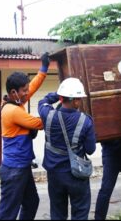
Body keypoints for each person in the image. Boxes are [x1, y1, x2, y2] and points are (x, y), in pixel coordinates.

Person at [0, 52, 50, 220]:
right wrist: (61, 114)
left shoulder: (14, 102)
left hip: (22, 167)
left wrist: (43, 69)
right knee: (8, 213)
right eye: (24, 91)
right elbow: (40, 123)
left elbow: (32, 87)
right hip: (14, 170)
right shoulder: (12, 111)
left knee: (32, 202)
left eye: (26, 90)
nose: (27, 93)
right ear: (14, 92)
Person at [38, 77, 96, 220]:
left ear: (62, 98)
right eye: (79, 99)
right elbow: (90, 150)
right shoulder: (86, 121)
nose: (80, 101)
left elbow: (42, 101)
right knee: (80, 213)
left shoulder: (48, 114)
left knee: (57, 213)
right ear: (75, 100)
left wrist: (57, 94)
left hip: (54, 174)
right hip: (76, 174)